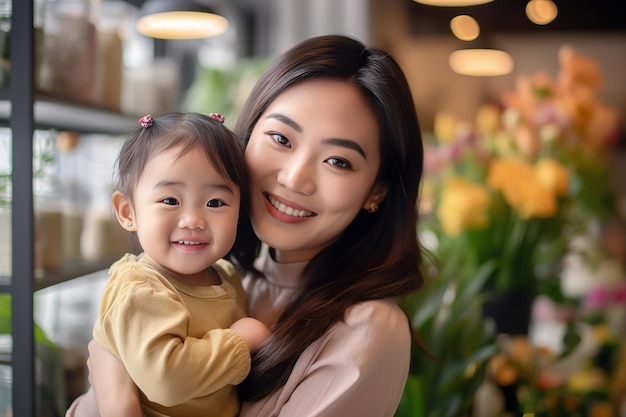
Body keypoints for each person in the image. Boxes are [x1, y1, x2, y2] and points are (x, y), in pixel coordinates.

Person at [68, 34, 425, 417]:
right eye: (280, 137)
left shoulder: (366, 328)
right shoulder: (225, 279)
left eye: (338, 161)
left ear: (377, 191)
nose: (294, 178)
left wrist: (116, 398)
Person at [65, 112, 271, 417]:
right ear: (127, 212)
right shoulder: (140, 289)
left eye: (215, 203)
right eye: (171, 201)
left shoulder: (225, 276)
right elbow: (166, 381)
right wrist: (241, 339)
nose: (193, 220)